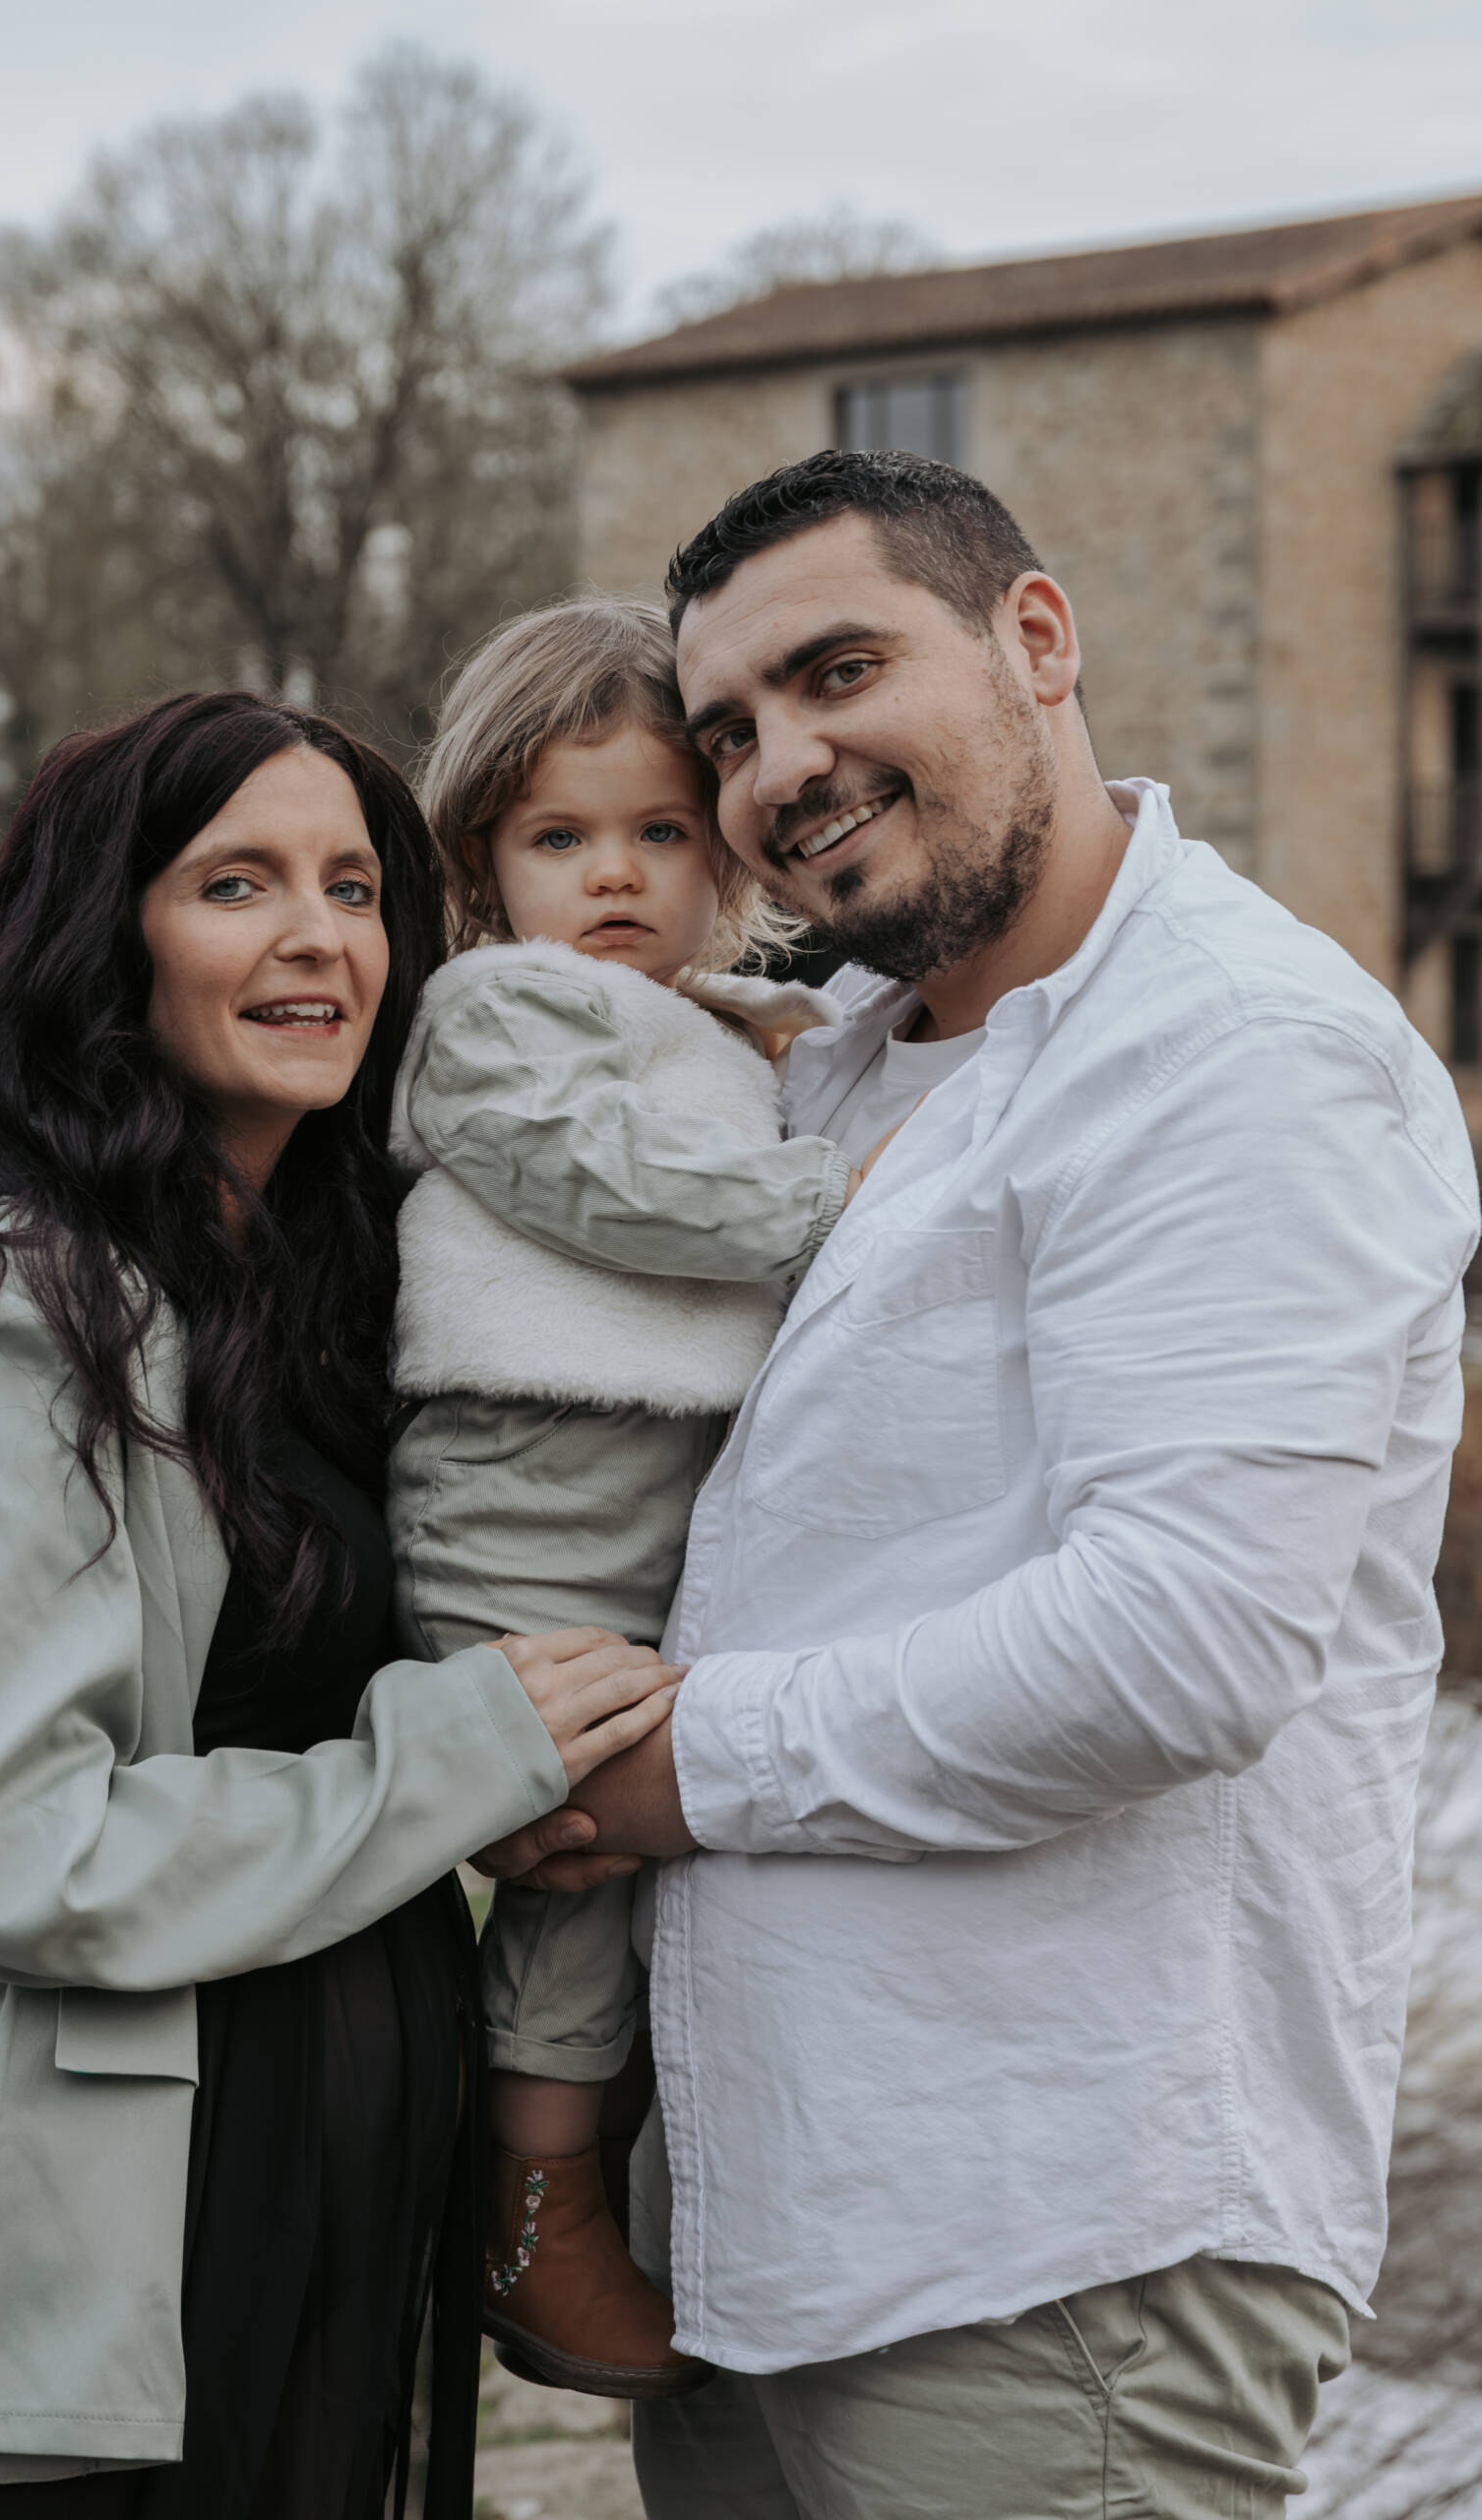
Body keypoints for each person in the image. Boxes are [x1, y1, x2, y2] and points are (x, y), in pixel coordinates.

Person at [476, 450, 1481, 2519]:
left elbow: (1178, 1639)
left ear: (1034, 638)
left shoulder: (1228, 1052)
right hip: (759, 2232)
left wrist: (662, 1770)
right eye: (732, 729)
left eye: (839, 669)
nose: (781, 766)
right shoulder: (824, 1063)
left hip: (1053, 2248)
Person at [0, 691, 682, 2520]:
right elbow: (4, 1856)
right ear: (104, 941)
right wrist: (467, 1751)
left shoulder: (315, 1303)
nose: (319, 936)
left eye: (357, 887)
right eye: (237, 884)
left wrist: (546, 1790)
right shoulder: (6, 1315)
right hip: (106, 2284)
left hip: (338, 2228)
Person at [386, 596, 860, 2398]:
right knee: (576, 1839)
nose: (616, 876)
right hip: (527, 1474)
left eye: (662, 831)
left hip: (651, 1483)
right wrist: (833, 1205)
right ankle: (533, 2211)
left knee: (654, 1829)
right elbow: (605, 1187)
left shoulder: (739, 1024)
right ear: (482, 861)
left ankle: (612, 2164)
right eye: (560, 837)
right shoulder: (495, 1015)